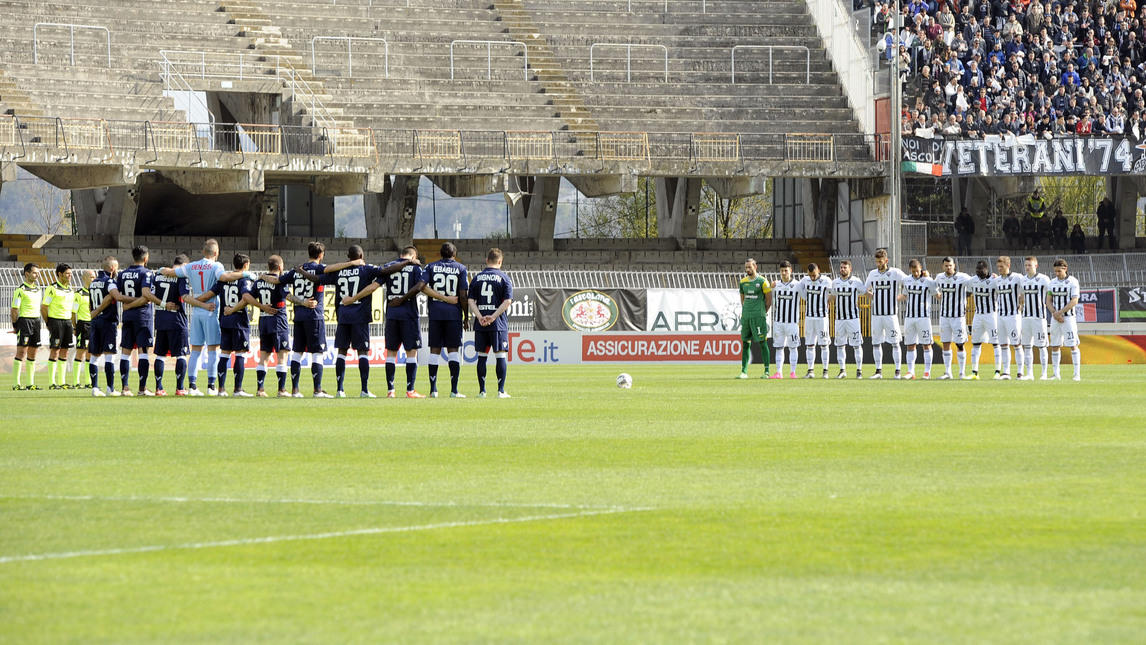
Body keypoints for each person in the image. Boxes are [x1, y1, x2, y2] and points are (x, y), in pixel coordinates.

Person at [253, 243, 360, 398]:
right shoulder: (319, 268)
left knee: (297, 352)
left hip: (298, 316)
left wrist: (263, 277)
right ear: (321, 254)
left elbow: (277, 281)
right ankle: (317, 390)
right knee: (317, 353)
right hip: (314, 315)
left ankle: (295, 390)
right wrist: (351, 263)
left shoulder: (296, 270)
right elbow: (333, 268)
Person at [327, 246, 419, 398]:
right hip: (363, 315)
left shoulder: (339, 271)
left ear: (348, 256)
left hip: (345, 315)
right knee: (363, 352)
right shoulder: (368, 269)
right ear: (361, 256)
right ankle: (366, 390)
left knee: (342, 352)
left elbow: (323, 273)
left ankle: (341, 390)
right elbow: (384, 276)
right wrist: (409, 263)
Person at [159, 239, 246, 396]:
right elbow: (224, 277)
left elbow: (171, 272)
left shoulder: (191, 266)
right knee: (213, 349)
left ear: (203, 252)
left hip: (196, 311)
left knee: (196, 350)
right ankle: (211, 386)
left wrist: (161, 270)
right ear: (216, 252)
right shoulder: (216, 266)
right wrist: (245, 274)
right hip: (210, 309)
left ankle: (192, 386)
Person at [200, 253, 269, 397]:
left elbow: (208, 294)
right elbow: (245, 298)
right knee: (240, 354)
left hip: (224, 320)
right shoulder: (243, 280)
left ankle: (221, 389)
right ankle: (238, 389)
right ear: (246, 265)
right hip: (238, 321)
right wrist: (234, 309)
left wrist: (194, 300)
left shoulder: (224, 279)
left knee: (224, 354)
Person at [108, 246, 160, 397]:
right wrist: (134, 304)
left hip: (127, 317)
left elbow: (117, 294)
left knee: (126, 352)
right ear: (146, 258)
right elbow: (146, 296)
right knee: (143, 352)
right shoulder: (147, 273)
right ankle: (142, 389)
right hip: (143, 317)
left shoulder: (123, 274)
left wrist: (128, 305)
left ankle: (125, 388)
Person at [152, 255, 203, 396]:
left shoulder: (158, 275)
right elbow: (184, 296)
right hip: (177, 320)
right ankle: (180, 388)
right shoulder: (181, 277)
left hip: (161, 319)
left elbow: (150, 295)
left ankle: (159, 388)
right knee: (181, 355)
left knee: (160, 355)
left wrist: (162, 304)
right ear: (184, 265)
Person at [424, 242, 471, 395]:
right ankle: (454, 390)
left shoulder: (431, 267)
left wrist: (440, 297)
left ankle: (433, 390)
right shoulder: (460, 268)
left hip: (436, 313)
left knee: (434, 350)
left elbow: (422, 286)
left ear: (440, 254)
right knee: (453, 351)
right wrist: (466, 316)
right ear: (454, 254)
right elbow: (463, 296)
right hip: (453, 314)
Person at [468, 248, 514, 398]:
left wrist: (480, 316)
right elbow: (507, 301)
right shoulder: (504, 278)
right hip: (497, 324)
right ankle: (501, 391)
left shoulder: (476, 278)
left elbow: (470, 300)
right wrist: (493, 317)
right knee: (500, 356)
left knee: (482, 356)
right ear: (500, 261)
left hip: (481, 324)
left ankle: (482, 391)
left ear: (487, 260)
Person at [864, 248, 907, 379]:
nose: (878, 264)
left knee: (895, 342)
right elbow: (865, 289)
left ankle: (898, 371)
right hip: (876, 315)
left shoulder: (895, 273)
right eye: (877, 262)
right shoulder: (872, 274)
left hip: (890, 315)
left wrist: (902, 296)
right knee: (876, 343)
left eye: (880, 262)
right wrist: (873, 297)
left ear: (886, 260)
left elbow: (909, 282)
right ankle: (878, 371)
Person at [252, 256, 291, 397]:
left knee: (264, 355)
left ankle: (260, 389)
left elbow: (248, 297)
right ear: (280, 267)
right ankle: (281, 390)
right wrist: (303, 302)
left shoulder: (259, 282)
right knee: (282, 355)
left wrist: (261, 306)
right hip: (278, 321)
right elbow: (288, 296)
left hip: (263, 321)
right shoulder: (280, 282)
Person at [934, 257, 974, 380]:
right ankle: (948, 372)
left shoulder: (963, 277)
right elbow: (933, 287)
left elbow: (974, 284)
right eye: (946, 266)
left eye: (950, 265)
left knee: (960, 344)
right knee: (946, 343)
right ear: (943, 266)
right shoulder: (939, 277)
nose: (948, 268)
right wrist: (937, 295)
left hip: (958, 317)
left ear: (954, 266)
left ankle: (962, 373)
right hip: (944, 316)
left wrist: (965, 298)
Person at [87, 257, 121, 396]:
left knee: (94, 356)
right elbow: (113, 297)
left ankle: (95, 388)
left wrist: (94, 313)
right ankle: (110, 389)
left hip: (95, 322)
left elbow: (90, 304)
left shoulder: (93, 283)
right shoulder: (110, 282)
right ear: (112, 268)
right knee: (109, 356)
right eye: (116, 267)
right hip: (108, 322)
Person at [898, 259, 936, 380]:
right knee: (910, 345)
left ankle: (927, 372)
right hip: (909, 317)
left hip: (923, 317)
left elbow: (936, 294)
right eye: (913, 271)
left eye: (917, 271)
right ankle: (911, 372)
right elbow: (905, 295)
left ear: (921, 269)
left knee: (926, 344)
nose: (916, 273)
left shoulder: (928, 281)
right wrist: (894, 298)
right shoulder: (907, 280)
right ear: (910, 270)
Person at [41, 264, 75, 390]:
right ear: (60, 274)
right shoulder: (52, 288)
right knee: (55, 350)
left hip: (67, 322)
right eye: (67, 273)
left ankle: (62, 382)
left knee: (65, 351)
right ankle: (52, 382)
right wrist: (48, 323)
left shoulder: (70, 289)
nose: (70, 276)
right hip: (56, 322)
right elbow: (44, 307)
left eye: (70, 273)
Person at [1046, 258, 1082, 381]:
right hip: (1055, 318)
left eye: (1059, 271)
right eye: (1055, 271)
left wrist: (1060, 313)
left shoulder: (1073, 281)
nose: (1057, 274)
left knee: (1073, 345)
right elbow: (1048, 300)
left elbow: (1074, 300)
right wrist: (1055, 313)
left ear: (1065, 268)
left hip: (1068, 318)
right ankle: (1056, 374)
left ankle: (1076, 374)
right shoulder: (1052, 283)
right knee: (1055, 345)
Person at [737, 258, 772, 379]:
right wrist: (746, 311)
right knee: (745, 343)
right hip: (746, 317)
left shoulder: (763, 281)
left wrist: (762, 312)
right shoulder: (743, 282)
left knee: (762, 342)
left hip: (758, 317)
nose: (747, 269)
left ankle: (766, 371)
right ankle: (744, 372)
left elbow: (769, 300)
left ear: (755, 267)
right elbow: (742, 299)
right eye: (746, 267)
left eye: (750, 267)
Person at [829, 260, 865, 379]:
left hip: (853, 319)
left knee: (857, 345)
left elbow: (864, 292)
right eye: (841, 267)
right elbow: (833, 296)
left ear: (850, 269)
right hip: (839, 319)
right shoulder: (835, 282)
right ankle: (842, 370)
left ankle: (859, 370)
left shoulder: (856, 281)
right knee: (840, 345)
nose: (842, 269)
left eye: (845, 267)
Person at [10, 263, 42, 391]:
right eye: (34, 272)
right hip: (24, 322)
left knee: (33, 353)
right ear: (27, 273)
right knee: (21, 352)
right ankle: (16, 384)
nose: (37, 275)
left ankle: (30, 383)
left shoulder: (38, 289)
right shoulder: (20, 290)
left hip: (36, 321)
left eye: (38, 273)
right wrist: (15, 325)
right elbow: (14, 309)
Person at [797, 263, 833, 379]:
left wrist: (828, 301)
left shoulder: (826, 280)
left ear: (819, 271)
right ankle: (810, 371)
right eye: (810, 275)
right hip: (809, 317)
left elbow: (834, 292)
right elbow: (798, 288)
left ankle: (825, 371)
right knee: (810, 344)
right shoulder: (805, 280)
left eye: (814, 275)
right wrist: (805, 297)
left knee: (824, 344)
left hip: (822, 317)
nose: (812, 277)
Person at [1020, 256, 1052, 381]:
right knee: (1027, 346)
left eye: (1030, 265)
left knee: (1041, 346)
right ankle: (1029, 374)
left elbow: (1051, 293)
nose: (1027, 267)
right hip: (1026, 317)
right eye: (1026, 265)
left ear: (1036, 266)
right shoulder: (1023, 280)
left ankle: (1044, 374)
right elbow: (1022, 296)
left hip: (1039, 317)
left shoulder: (1044, 279)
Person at [968, 260, 1001, 380]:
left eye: (981, 270)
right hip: (978, 315)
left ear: (987, 269)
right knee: (975, 343)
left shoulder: (994, 280)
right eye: (977, 270)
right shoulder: (973, 280)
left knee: (996, 343)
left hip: (991, 315)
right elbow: (967, 291)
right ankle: (974, 372)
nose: (979, 272)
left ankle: (997, 371)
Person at [768, 260, 802, 379]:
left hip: (792, 323)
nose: (783, 273)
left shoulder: (797, 285)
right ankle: (779, 372)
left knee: (793, 347)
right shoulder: (776, 285)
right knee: (779, 347)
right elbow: (769, 296)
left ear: (791, 271)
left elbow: (805, 297)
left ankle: (793, 372)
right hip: (778, 322)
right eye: (782, 271)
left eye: (786, 270)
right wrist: (771, 286)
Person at [993, 256, 1025, 380]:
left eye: (1001, 266)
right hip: (1000, 316)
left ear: (1008, 265)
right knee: (1003, 345)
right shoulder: (997, 280)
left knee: (1016, 344)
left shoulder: (1017, 277)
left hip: (1013, 316)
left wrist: (1021, 303)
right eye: (998, 267)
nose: (999, 269)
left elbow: (1024, 291)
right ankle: (1006, 372)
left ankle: (1020, 372)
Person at [70, 270, 94, 390]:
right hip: (83, 325)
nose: (93, 279)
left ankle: (89, 381)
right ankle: (76, 382)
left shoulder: (96, 292)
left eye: (94, 277)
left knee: (90, 353)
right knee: (80, 352)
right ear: (84, 278)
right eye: (91, 277)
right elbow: (73, 313)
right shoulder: (78, 294)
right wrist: (75, 327)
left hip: (94, 324)